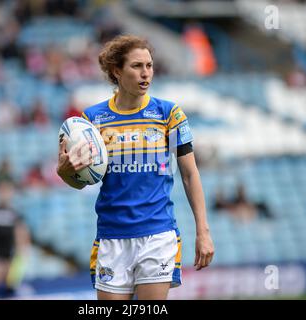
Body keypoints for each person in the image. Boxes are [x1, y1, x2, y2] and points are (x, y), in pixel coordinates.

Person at [56, 35, 214, 300]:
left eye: (149, 66)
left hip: (157, 235)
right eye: (137, 66)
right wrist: (64, 171)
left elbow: (189, 174)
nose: (146, 73)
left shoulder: (169, 115)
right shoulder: (91, 121)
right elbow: (80, 181)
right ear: (117, 71)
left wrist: (203, 232)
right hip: (111, 237)